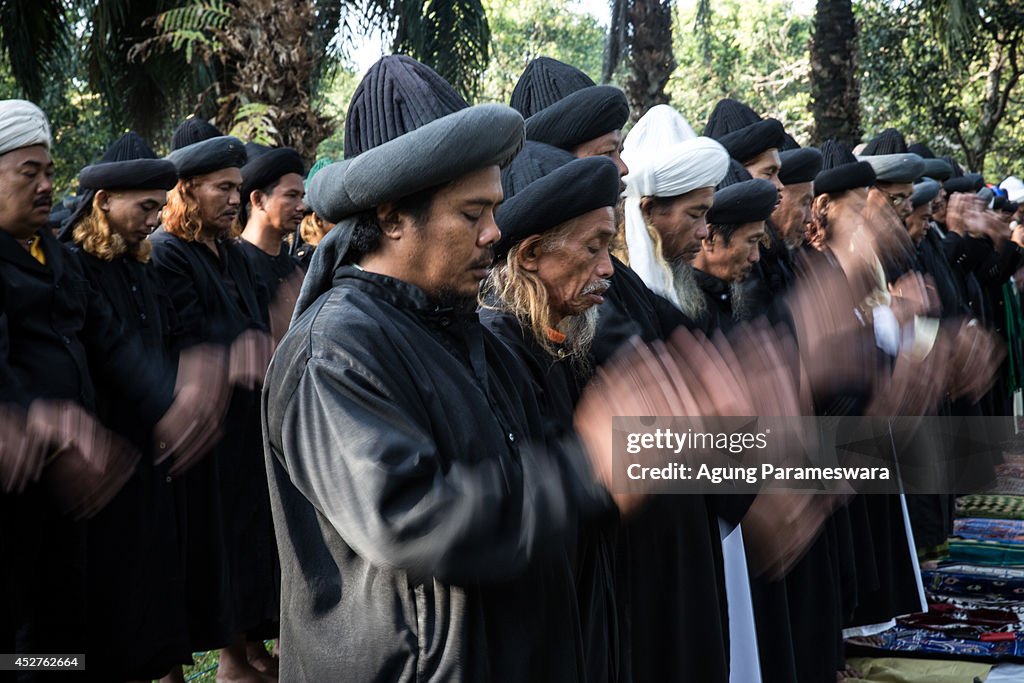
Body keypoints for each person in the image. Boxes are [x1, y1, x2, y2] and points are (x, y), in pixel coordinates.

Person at [264, 100, 624, 682]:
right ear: (392, 218)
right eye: (472, 213)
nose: (494, 234)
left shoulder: (471, 335)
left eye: (495, 210)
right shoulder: (334, 351)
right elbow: (410, 517)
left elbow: (535, 471)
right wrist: (587, 469)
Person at [0, 99, 221, 679]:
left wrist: (171, 403)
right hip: (16, 488)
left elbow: (110, 343)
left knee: (64, 633)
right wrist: (34, 416)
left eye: (49, 172)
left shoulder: (55, 261)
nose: (47, 185)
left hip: (67, 491)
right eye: (30, 173)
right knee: (20, 643)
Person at [63, 131, 205, 683]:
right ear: (104, 201)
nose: (155, 218)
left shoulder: (140, 266)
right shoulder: (75, 266)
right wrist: (170, 402)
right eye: (145, 207)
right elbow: (108, 349)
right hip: (105, 456)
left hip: (150, 457)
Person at [480, 152, 620, 683]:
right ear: (533, 253)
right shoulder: (498, 349)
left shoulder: (557, 338)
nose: (608, 268)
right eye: (594, 247)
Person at [151, 119, 279, 681]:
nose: (234, 198)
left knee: (249, 539)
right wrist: (237, 352)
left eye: (236, 187)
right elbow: (182, 336)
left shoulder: (237, 255)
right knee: (214, 546)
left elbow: (261, 322)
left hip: (248, 426)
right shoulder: (168, 253)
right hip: (205, 430)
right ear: (187, 191)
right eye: (221, 188)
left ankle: (246, 650)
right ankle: (230, 659)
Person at [238, 144, 307, 340]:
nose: (301, 206)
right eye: (291, 196)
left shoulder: (297, 270)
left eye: (301, 197)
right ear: (258, 199)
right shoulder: (233, 267)